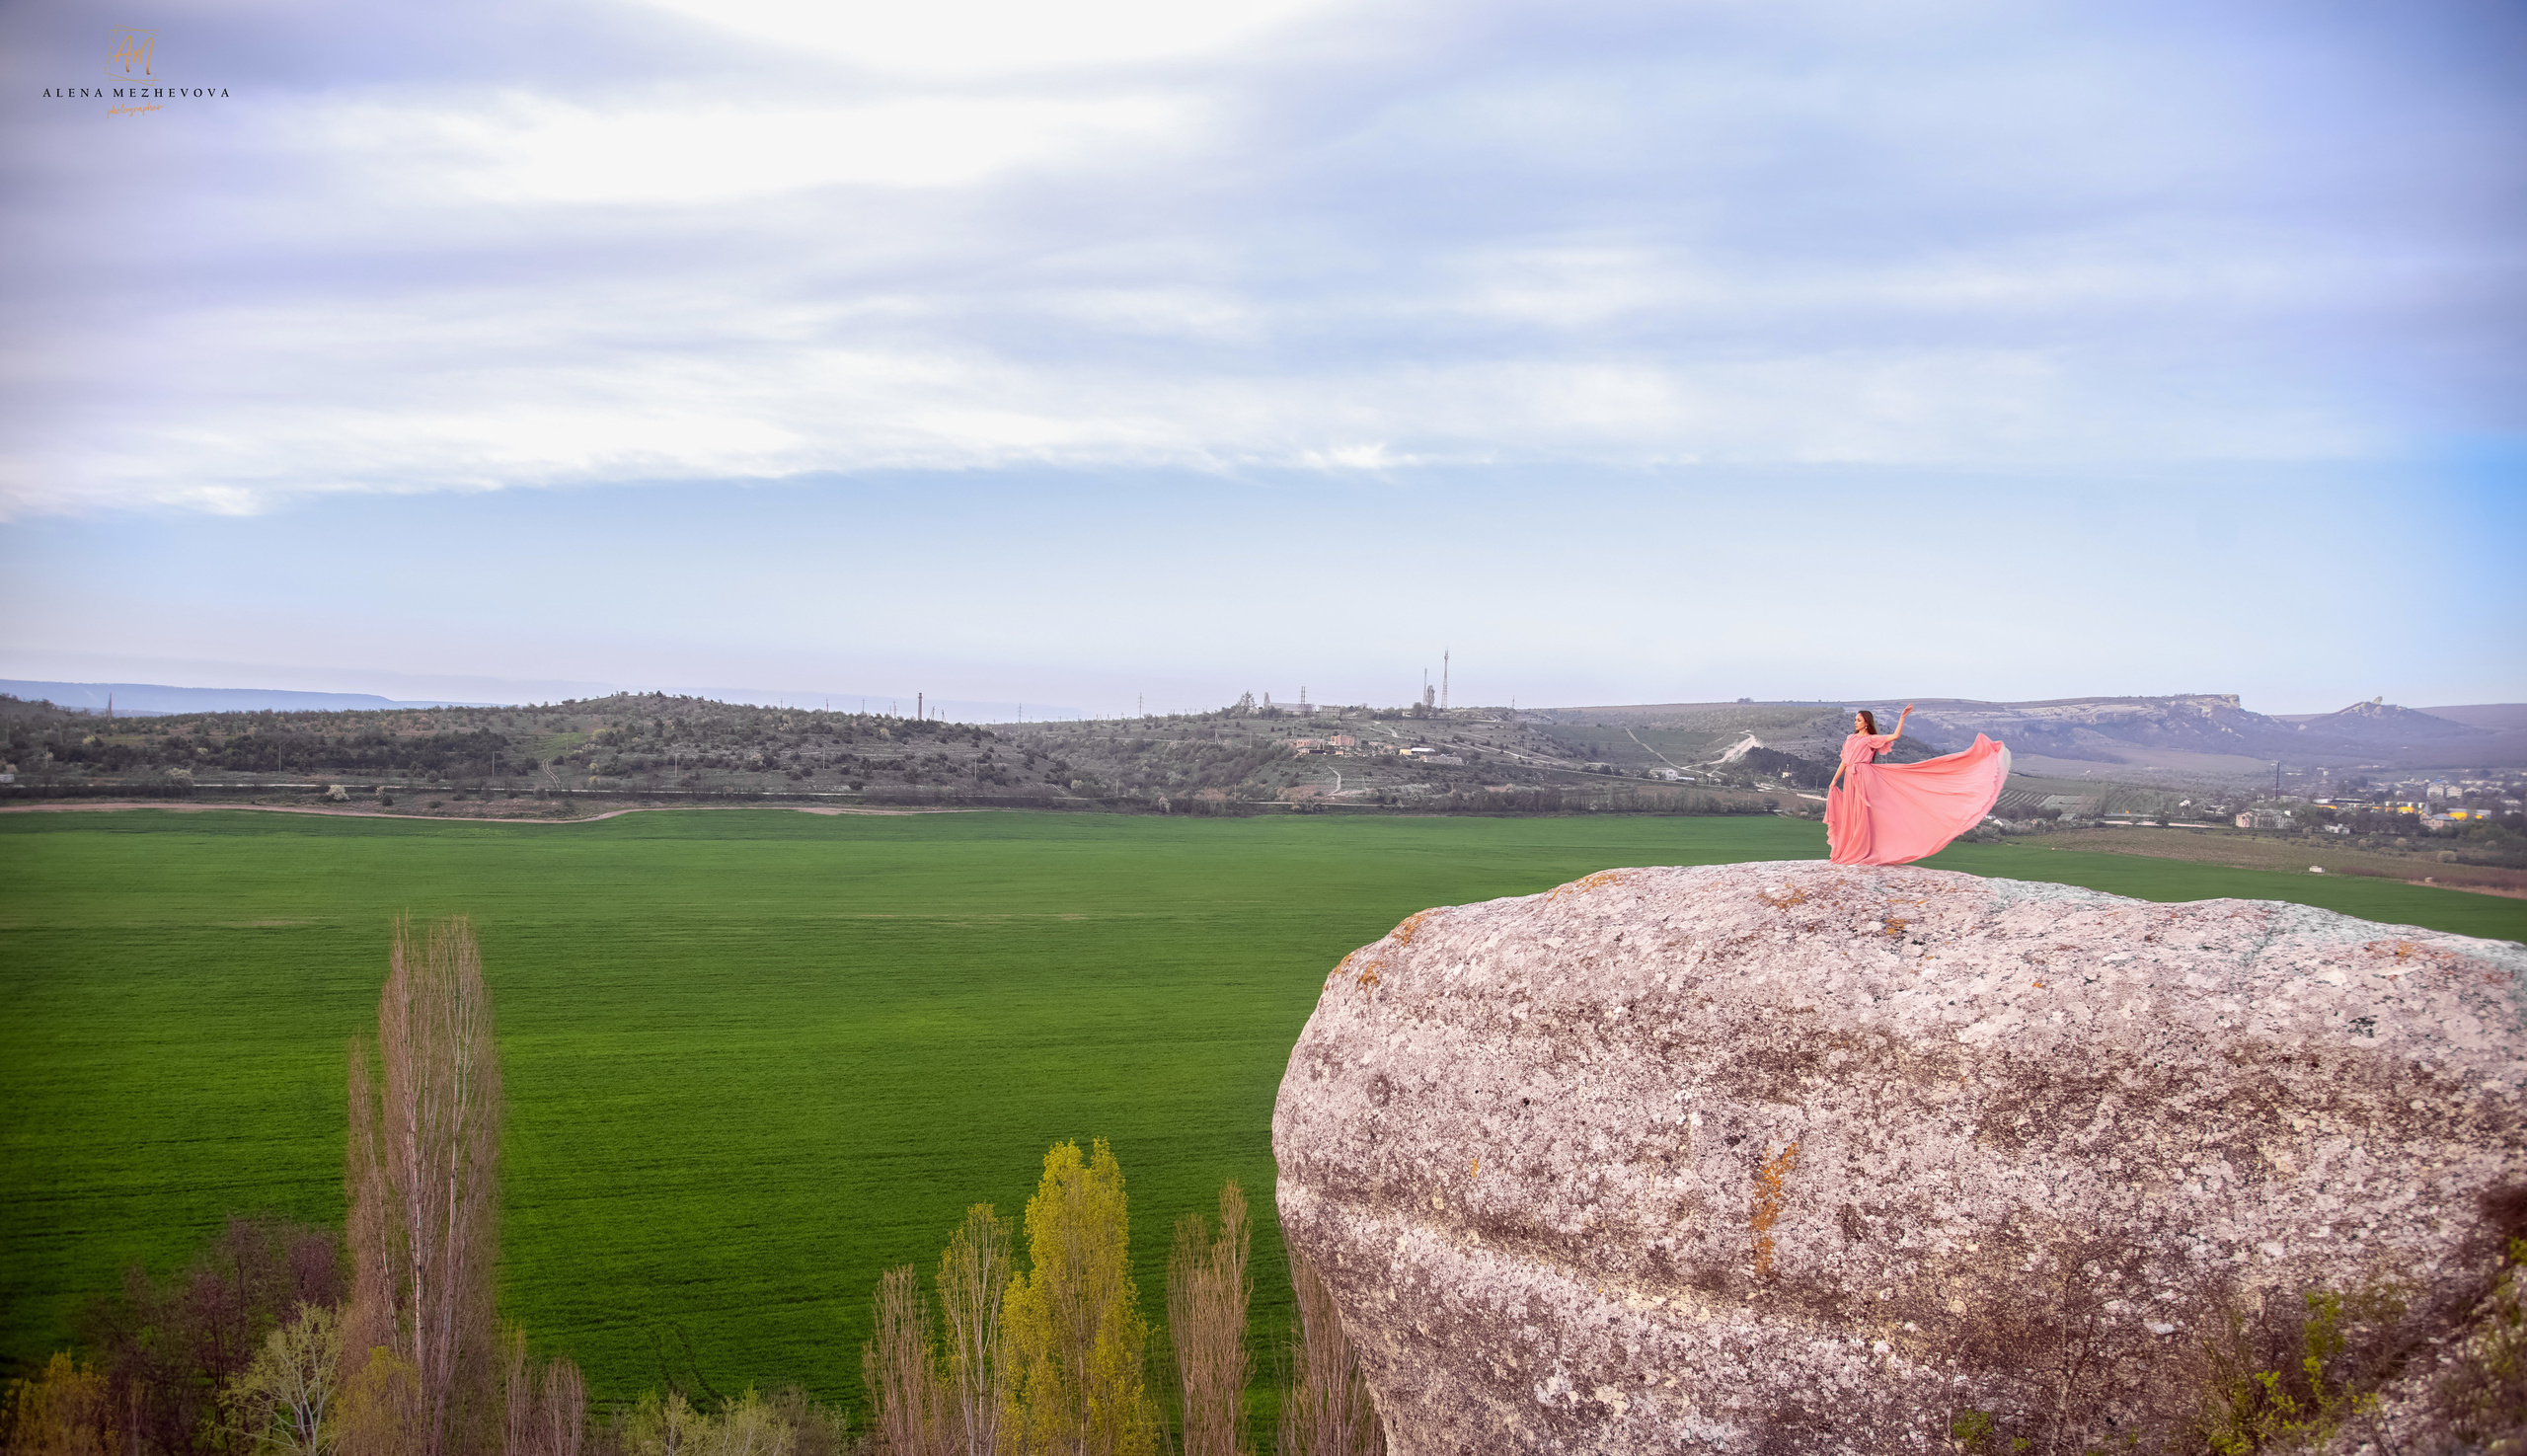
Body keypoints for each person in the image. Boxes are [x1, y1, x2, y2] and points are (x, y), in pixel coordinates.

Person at [1824, 705, 2010, 866]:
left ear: (1866, 723)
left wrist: (1902, 717)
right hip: (1850, 776)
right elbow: (1844, 761)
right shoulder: (1850, 739)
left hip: (1864, 776)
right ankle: (1851, 848)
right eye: (1855, 719)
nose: (1855, 722)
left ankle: (1861, 849)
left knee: (1863, 812)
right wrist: (1834, 779)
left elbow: (1895, 736)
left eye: (1858, 720)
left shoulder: (1870, 739)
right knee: (1853, 812)